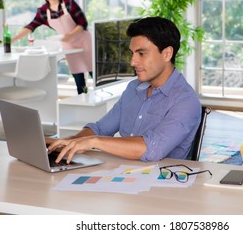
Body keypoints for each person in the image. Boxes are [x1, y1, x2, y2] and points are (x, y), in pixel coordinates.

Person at [47, 16, 201, 163]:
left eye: (141, 53)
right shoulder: (133, 88)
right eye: (132, 53)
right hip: (123, 172)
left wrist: (93, 142)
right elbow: (100, 129)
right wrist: (70, 142)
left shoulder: (186, 101)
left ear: (167, 54)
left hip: (161, 182)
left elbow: (153, 149)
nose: (133, 62)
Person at [11, 0, 92, 94]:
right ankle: (85, 106)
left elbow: (83, 23)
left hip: (84, 42)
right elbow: (31, 26)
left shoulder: (69, 3)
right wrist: (15, 38)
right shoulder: (44, 11)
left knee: (94, 73)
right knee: (79, 79)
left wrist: (69, 35)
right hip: (68, 45)